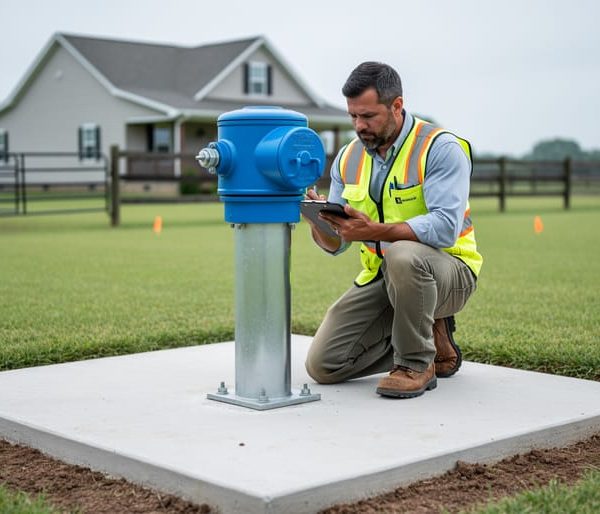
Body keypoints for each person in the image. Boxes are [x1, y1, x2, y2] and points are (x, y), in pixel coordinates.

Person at [304, 62, 483, 399]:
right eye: (353, 116)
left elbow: (445, 228)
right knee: (323, 366)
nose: (359, 125)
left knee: (403, 254)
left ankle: (416, 364)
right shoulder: (347, 158)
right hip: (385, 277)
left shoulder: (440, 148)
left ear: (397, 105)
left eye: (368, 116)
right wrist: (320, 220)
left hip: (451, 272)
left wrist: (376, 230)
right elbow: (338, 243)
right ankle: (429, 337)